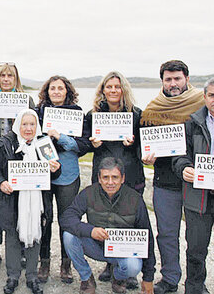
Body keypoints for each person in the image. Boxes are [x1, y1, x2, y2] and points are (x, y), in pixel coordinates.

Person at [141, 60, 204, 294]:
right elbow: (143, 145)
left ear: (187, 78)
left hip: (196, 182)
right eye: (168, 79)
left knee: (196, 237)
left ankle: (196, 283)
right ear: (162, 82)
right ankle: (170, 278)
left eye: (177, 78)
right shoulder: (153, 109)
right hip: (165, 182)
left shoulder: (202, 107)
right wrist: (145, 156)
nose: (173, 83)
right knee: (167, 234)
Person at [82, 71, 145, 288]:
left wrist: (134, 144)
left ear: (123, 89)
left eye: (117, 87)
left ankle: (130, 270)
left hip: (131, 176)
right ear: (103, 90)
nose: (113, 91)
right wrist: (94, 144)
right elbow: (84, 143)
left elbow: (145, 150)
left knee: (131, 221)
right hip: (103, 176)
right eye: (109, 87)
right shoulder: (93, 115)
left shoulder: (137, 115)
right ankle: (110, 264)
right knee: (104, 219)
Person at [0, 108, 61, 294]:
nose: (28, 128)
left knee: (35, 236)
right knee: (12, 237)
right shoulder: (5, 143)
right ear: (17, 125)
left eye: (32, 124)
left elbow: (56, 172)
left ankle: (32, 276)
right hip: (12, 200)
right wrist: (1, 183)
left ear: (37, 126)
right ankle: (12, 276)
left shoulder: (44, 143)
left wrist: (55, 168)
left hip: (38, 200)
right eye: (24, 124)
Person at [61, 157, 155, 294]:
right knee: (68, 236)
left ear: (122, 178)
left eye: (115, 177)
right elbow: (67, 218)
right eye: (105, 177)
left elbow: (148, 239)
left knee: (133, 266)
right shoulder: (88, 193)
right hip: (95, 246)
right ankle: (86, 278)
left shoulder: (135, 199)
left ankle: (118, 277)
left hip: (122, 250)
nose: (110, 182)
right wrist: (90, 230)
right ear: (99, 178)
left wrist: (148, 278)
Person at [34, 76, 88, 283]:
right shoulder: (39, 112)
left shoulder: (77, 112)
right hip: (43, 173)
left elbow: (83, 145)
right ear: (47, 91)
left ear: (67, 91)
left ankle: (66, 264)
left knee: (67, 221)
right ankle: (44, 261)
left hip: (68, 175)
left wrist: (61, 138)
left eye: (60, 88)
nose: (56, 91)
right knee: (44, 219)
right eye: (52, 88)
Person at [172, 77, 214, 294]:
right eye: (212, 95)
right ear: (204, 97)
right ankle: (194, 289)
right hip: (197, 200)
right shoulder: (191, 124)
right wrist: (184, 168)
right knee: (195, 253)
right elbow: (180, 156)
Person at [0, 62, 35, 270]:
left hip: (19, 156)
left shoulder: (27, 100)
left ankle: (21, 249)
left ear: (16, 79)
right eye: (3, 76)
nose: (6, 79)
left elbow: (33, 125)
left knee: (19, 205)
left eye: (10, 76)